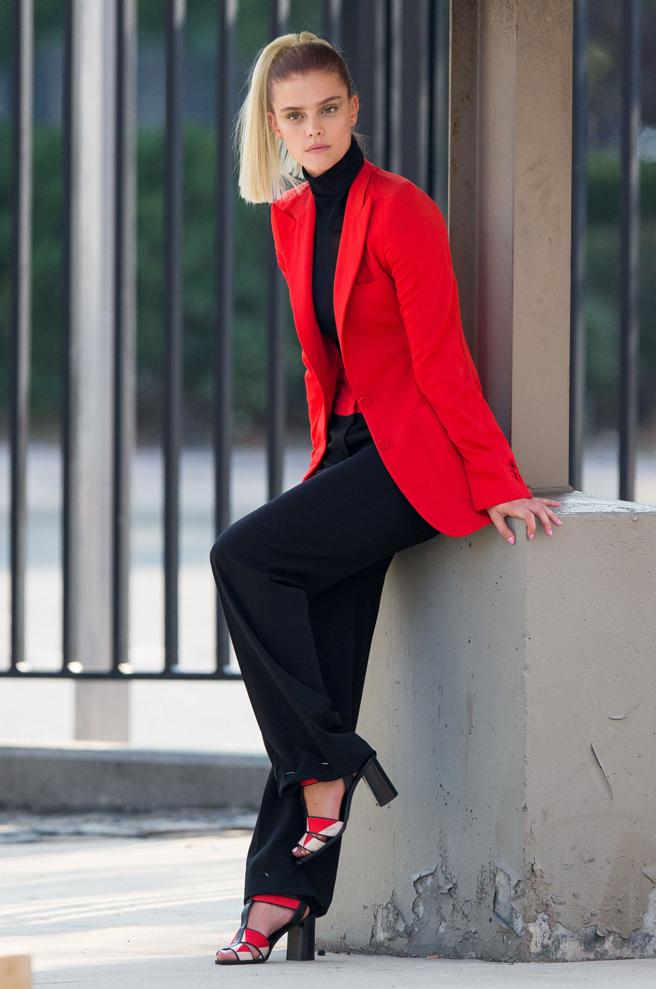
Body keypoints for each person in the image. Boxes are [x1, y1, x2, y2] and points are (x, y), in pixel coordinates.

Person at [210, 31, 563, 966]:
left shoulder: (402, 209)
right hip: (348, 458)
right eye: (295, 115)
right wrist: (322, 470)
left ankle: (330, 764)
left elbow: (442, 360)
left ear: (354, 108)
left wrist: (498, 480)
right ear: (273, 126)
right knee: (319, 665)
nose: (315, 128)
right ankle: (283, 892)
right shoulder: (290, 217)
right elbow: (318, 362)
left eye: (329, 108)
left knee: (241, 557)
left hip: (409, 463)